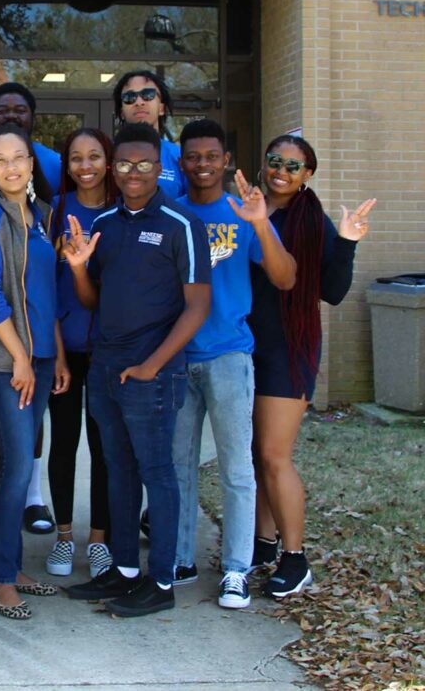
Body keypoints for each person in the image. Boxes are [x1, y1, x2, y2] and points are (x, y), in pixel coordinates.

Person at [64, 122, 210, 618]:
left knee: (157, 473)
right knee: (118, 470)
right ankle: (125, 572)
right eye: (123, 164)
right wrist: (80, 266)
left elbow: (197, 308)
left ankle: (161, 581)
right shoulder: (105, 221)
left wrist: (151, 365)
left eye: (144, 164)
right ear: (112, 167)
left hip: (153, 373)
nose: (132, 173)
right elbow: (92, 301)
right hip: (105, 367)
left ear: (159, 167)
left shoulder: (181, 223)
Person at [171, 119, 296, 609]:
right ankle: (180, 556)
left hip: (228, 356)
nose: (202, 164)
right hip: (178, 358)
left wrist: (261, 222)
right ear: (182, 164)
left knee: (236, 468)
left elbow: (285, 279)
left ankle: (237, 569)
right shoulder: (171, 214)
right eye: (193, 157)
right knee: (177, 465)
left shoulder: (244, 213)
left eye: (211, 156)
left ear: (226, 161)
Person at [248, 135, 375, 598]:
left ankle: (295, 558)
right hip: (246, 346)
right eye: (276, 161)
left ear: (308, 175)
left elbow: (333, 291)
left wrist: (347, 241)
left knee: (274, 456)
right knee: (254, 454)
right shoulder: (249, 208)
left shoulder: (310, 220)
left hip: (289, 348)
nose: (282, 170)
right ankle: (263, 544)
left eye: (294, 166)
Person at [0, 125, 68, 620]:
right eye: (0, 160)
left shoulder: (43, 217)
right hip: (4, 360)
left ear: (31, 164)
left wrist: (56, 356)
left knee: (24, 457)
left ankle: (12, 565)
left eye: (19, 158)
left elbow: (49, 298)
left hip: (43, 357)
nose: (10, 167)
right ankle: (2, 578)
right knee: (17, 466)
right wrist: (21, 357)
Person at [44, 128, 118, 579]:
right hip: (66, 348)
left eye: (94, 156)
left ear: (108, 162)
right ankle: (64, 537)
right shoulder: (57, 211)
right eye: (76, 158)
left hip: (109, 349)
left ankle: (99, 541)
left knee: (104, 443)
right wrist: (55, 354)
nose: (85, 165)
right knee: (65, 441)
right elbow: (46, 288)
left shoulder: (121, 211)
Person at [0, 82, 61, 196]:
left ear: (33, 118)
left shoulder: (56, 163)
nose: (11, 116)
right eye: (2, 111)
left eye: (20, 110)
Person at [112, 70, 186, 198]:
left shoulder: (179, 156)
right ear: (122, 112)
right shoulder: (106, 154)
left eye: (148, 94)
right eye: (129, 97)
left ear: (162, 108)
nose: (139, 102)